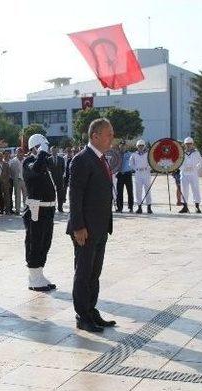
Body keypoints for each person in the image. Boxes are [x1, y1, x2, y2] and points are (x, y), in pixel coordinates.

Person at [67, 118, 116, 333]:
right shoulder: (82, 159)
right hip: (84, 229)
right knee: (83, 273)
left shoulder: (101, 159)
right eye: (108, 134)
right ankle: (82, 315)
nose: (111, 139)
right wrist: (78, 226)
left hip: (100, 227)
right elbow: (75, 195)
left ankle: (91, 309)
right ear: (95, 136)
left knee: (94, 274)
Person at [22, 134, 57, 292]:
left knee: (45, 242)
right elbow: (35, 169)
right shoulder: (28, 162)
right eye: (42, 147)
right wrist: (41, 153)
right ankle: (33, 277)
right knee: (35, 242)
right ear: (35, 148)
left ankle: (39, 274)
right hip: (36, 209)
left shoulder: (44, 162)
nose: (46, 150)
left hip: (48, 208)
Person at [179, 137, 202, 213]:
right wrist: (182, 168)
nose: (188, 145)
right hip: (184, 173)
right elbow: (178, 162)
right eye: (187, 144)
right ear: (184, 144)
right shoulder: (182, 153)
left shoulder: (196, 152)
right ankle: (185, 206)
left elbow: (201, 162)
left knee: (195, 189)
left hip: (193, 173)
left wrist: (196, 168)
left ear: (192, 144)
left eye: (190, 144)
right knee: (184, 190)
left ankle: (197, 206)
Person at [129, 139, 153, 214]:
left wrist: (148, 168)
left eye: (142, 146)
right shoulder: (134, 154)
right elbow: (131, 163)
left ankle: (149, 207)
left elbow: (151, 162)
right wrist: (135, 168)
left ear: (144, 146)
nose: (141, 147)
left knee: (147, 190)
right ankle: (139, 207)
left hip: (146, 173)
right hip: (138, 173)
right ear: (137, 146)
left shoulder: (148, 154)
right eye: (139, 146)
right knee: (138, 191)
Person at [115, 141, 134, 213]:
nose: (122, 147)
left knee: (129, 191)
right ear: (119, 146)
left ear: (126, 146)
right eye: (121, 145)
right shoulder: (116, 154)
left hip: (128, 174)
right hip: (120, 174)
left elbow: (134, 163)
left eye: (124, 145)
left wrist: (133, 169)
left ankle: (131, 207)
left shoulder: (130, 154)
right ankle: (119, 207)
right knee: (119, 192)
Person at [48, 146, 66, 212]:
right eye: (53, 150)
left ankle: (60, 208)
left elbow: (63, 168)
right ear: (51, 151)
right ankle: (53, 207)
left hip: (60, 179)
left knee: (60, 194)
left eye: (55, 150)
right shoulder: (48, 159)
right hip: (51, 179)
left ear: (57, 151)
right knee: (52, 194)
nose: (54, 152)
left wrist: (61, 175)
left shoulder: (61, 159)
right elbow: (48, 169)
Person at [9, 147, 26, 214]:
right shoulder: (12, 161)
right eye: (18, 152)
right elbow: (10, 171)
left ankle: (25, 209)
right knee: (17, 196)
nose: (20, 153)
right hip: (17, 180)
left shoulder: (25, 160)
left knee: (25, 195)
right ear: (16, 153)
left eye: (21, 152)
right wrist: (13, 178)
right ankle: (17, 210)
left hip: (24, 180)